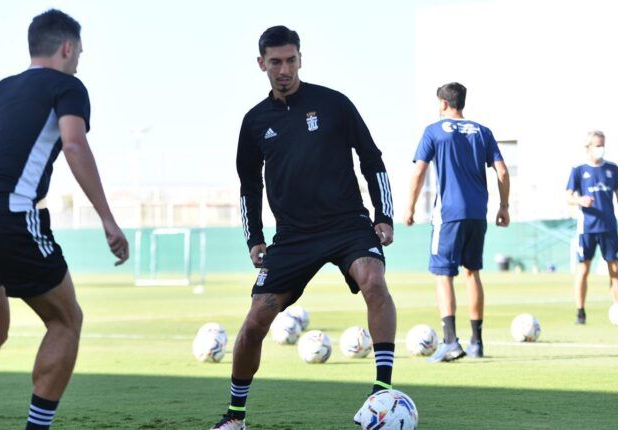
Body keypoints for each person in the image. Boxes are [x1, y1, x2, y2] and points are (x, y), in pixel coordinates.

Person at [0, 9, 128, 430]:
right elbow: (73, 145)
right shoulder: (67, 86)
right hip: (5, 214)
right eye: (80, 52)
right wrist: (108, 218)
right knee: (66, 319)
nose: (79, 60)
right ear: (67, 47)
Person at [212, 26, 397, 430]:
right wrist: (254, 238)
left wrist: (384, 214)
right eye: (275, 62)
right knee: (256, 319)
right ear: (261, 64)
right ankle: (235, 416)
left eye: (291, 60)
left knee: (373, 279)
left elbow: (372, 159)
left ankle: (382, 391)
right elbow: (249, 185)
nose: (284, 69)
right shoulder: (255, 122)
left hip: (348, 223)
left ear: (301, 58)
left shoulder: (334, 104)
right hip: (293, 237)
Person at [404, 82, 510, 362]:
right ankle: (477, 342)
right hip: (478, 212)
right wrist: (504, 206)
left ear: (442, 103)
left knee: (443, 274)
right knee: (472, 272)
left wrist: (410, 208)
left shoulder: (434, 131)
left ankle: (450, 341)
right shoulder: (482, 131)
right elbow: (502, 171)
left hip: (448, 213)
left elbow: (418, 173)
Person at [566, 131, 618, 325]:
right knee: (583, 269)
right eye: (596, 145)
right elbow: (568, 197)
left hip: (609, 227)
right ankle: (580, 312)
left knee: (614, 269)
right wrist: (580, 200)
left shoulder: (612, 169)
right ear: (588, 147)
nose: (600, 148)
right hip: (586, 228)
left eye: (602, 144)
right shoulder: (578, 170)